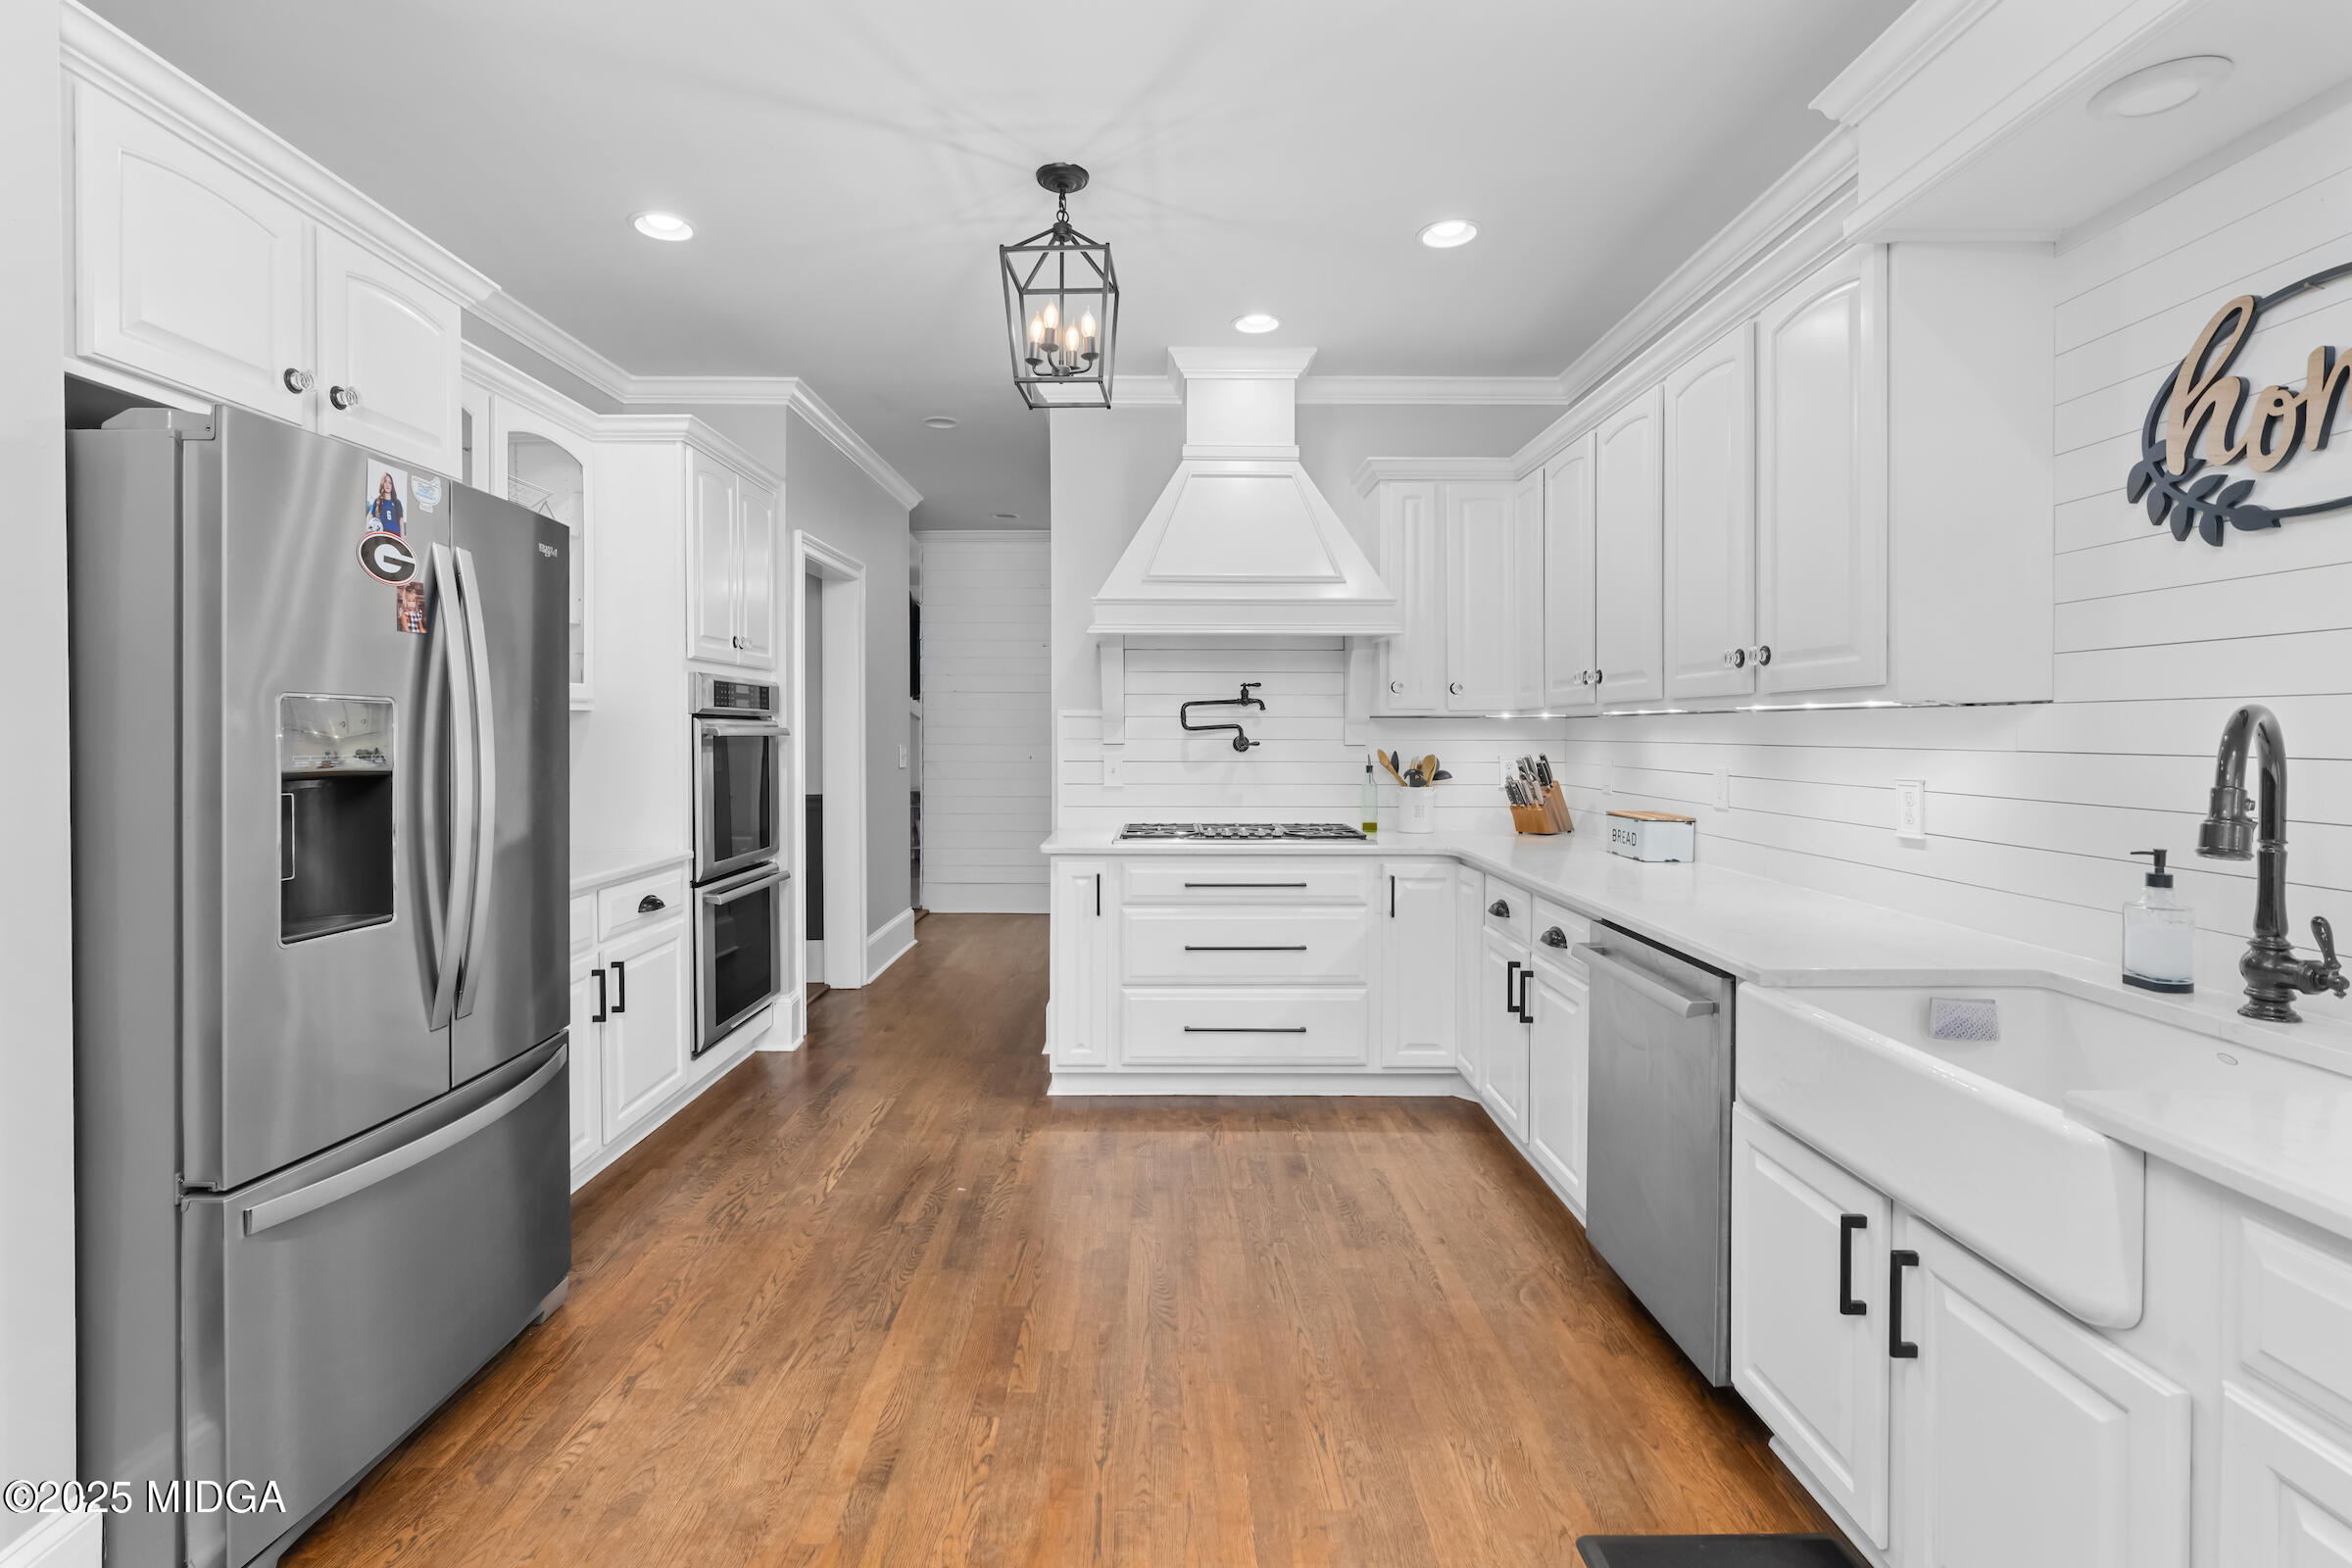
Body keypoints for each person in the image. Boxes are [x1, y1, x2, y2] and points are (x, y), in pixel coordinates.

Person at [368, 472, 404, 536]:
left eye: (390, 483)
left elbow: (401, 522)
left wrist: (402, 538)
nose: (388, 485)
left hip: (395, 536)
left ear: (392, 485)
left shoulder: (397, 502)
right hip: (382, 535)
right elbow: (370, 517)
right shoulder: (377, 501)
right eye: (385, 482)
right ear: (382, 484)